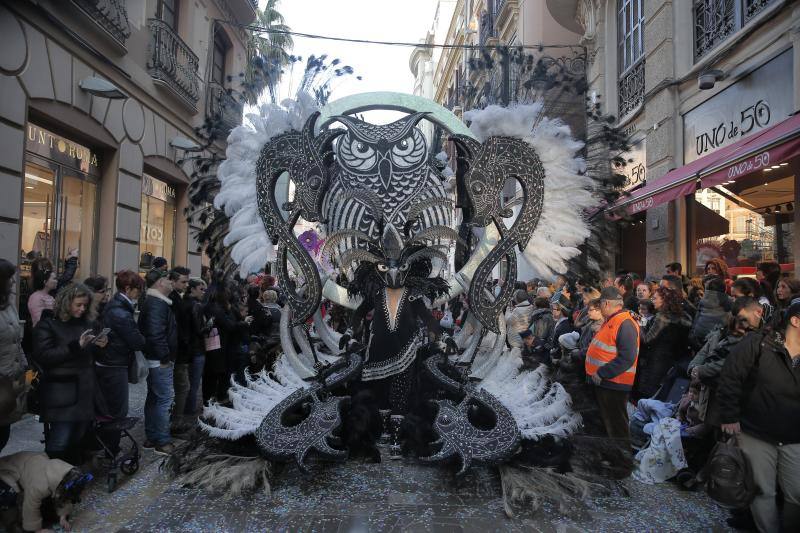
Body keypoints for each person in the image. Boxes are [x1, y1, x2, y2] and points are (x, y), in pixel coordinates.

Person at [717, 300, 800, 533]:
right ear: (795, 321)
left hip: (794, 436)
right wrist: (730, 417)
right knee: (763, 492)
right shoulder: (759, 343)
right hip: (756, 432)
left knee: (796, 494)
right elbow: (730, 378)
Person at [32, 283, 106, 464]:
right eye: (78, 305)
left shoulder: (87, 323)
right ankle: (51, 478)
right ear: (66, 303)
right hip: (62, 392)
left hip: (86, 389)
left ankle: (69, 477)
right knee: (60, 439)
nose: (82, 309)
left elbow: (90, 355)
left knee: (78, 436)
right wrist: (75, 346)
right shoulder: (48, 324)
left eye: (85, 305)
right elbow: (44, 355)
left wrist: (100, 346)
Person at [688, 297, 763, 428]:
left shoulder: (755, 338)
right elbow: (704, 351)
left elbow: (733, 362)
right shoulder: (721, 333)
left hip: (727, 390)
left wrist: (702, 370)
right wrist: (694, 367)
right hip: (709, 387)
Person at [95, 270, 146, 456]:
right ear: (128, 288)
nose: (140, 292)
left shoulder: (116, 306)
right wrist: (141, 337)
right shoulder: (120, 312)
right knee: (117, 410)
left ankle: (109, 446)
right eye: (138, 289)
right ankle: (111, 449)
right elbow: (137, 341)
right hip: (114, 365)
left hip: (112, 362)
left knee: (112, 408)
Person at [585, 286, 640, 450]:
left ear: (607, 303)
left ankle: (622, 464)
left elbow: (627, 358)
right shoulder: (614, 320)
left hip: (614, 383)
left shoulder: (625, 323)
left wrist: (602, 372)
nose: (599, 308)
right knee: (608, 425)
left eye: (600, 304)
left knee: (616, 427)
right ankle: (611, 458)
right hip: (606, 382)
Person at [0, 452, 92, 533]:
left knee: (49, 511)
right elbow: (30, 506)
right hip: (6, 469)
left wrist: (63, 517)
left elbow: (66, 496)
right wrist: (38, 530)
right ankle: (11, 523)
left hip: (29, 463)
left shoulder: (65, 472)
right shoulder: (39, 485)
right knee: (9, 495)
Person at [138, 269, 177, 454]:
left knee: (155, 399)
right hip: (158, 360)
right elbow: (155, 333)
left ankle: (152, 436)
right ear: (160, 282)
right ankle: (161, 440)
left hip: (156, 358)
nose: (172, 283)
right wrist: (164, 357)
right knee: (163, 399)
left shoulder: (156, 302)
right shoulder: (156, 304)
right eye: (169, 279)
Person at [633, 286, 691, 400]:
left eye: (654, 298)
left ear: (664, 300)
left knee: (648, 394)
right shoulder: (683, 316)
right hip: (672, 360)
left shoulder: (662, 317)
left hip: (656, 361)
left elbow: (647, 339)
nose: (652, 300)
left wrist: (638, 323)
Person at [0, 260, 28, 453]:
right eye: (10, 278)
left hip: (10, 381)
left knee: (3, 435)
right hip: (1, 379)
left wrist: (25, 370)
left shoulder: (8, 306)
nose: (13, 282)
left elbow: (17, 341)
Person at [168, 267, 191, 432]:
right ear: (173, 281)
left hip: (180, 350)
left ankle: (176, 420)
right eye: (183, 281)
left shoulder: (176, 298)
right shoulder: (172, 299)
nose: (186, 284)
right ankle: (176, 422)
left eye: (187, 281)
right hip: (177, 352)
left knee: (182, 387)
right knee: (181, 388)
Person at [182, 279, 207, 416]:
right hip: (196, 349)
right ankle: (189, 410)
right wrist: (208, 325)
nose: (203, 292)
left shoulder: (183, 302)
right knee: (194, 383)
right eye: (201, 289)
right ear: (192, 289)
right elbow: (199, 330)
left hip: (187, 348)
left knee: (187, 383)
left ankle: (185, 408)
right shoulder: (195, 306)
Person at [689, 276, 732, 351]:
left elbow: (696, 319)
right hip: (717, 339)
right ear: (725, 289)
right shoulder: (729, 301)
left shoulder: (702, 301)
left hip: (699, 336)